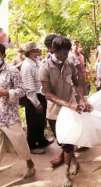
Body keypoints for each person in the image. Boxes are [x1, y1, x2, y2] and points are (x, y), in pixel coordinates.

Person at [39, 36, 90, 187]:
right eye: (63, 53)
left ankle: (66, 174)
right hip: (54, 112)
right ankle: (73, 161)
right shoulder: (45, 68)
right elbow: (47, 94)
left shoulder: (69, 64)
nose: (66, 56)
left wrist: (82, 99)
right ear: (54, 51)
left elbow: (76, 83)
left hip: (71, 109)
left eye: (67, 52)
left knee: (69, 142)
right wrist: (67, 104)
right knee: (62, 143)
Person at [0, 43, 35, 187]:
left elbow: (22, 91)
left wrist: (6, 93)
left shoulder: (12, 71)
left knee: (20, 144)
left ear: (3, 56)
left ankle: (30, 163)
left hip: (9, 116)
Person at [21, 41, 53, 154]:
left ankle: (41, 140)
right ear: (31, 53)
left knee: (41, 121)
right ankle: (32, 146)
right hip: (34, 98)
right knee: (33, 123)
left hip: (41, 95)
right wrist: (36, 103)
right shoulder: (27, 66)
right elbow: (29, 89)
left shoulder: (35, 63)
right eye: (36, 51)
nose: (39, 53)